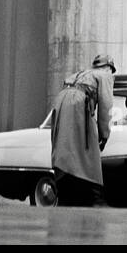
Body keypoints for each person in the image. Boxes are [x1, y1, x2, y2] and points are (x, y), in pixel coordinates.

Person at [50, 52, 116, 206]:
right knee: (87, 151)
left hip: (61, 101)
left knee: (64, 146)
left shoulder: (79, 74)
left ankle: (64, 185)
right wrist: (104, 134)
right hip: (79, 103)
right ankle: (92, 193)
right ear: (109, 68)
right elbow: (106, 106)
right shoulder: (104, 75)